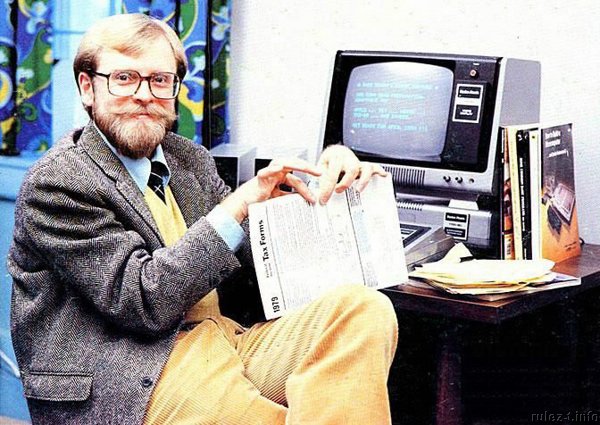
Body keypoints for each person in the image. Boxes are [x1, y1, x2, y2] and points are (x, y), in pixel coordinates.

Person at [8, 13, 398, 425]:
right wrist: (238, 204)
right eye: (124, 78)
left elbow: (255, 264)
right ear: (88, 88)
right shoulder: (59, 181)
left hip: (221, 341)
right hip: (133, 374)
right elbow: (143, 299)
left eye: (160, 80)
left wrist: (330, 182)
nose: (144, 95)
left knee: (363, 310)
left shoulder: (188, 159)